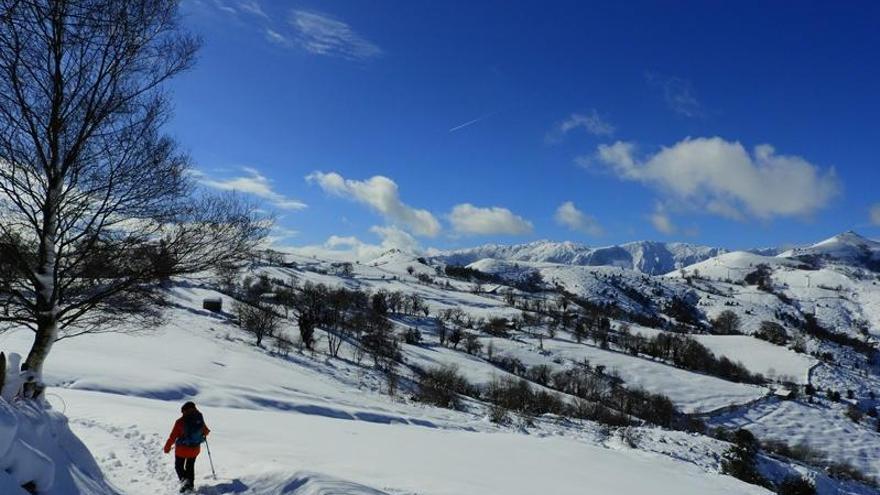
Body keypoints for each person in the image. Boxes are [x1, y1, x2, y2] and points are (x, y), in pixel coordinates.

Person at [163, 401, 210, 493]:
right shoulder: (199, 419)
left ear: (184, 411)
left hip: (181, 450)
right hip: (195, 449)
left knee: (178, 466)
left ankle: (185, 482)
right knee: (190, 466)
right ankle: (190, 486)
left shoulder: (180, 422)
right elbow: (206, 431)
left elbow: (173, 437)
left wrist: (167, 447)